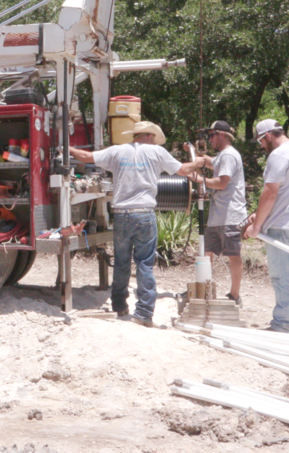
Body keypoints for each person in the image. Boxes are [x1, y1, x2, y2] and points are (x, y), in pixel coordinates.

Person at [70, 122, 204, 328]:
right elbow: (183, 170)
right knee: (144, 263)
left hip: (122, 215)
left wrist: (66, 148)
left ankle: (119, 306)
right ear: (149, 136)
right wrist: (200, 161)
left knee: (122, 262)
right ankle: (143, 313)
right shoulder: (157, 152)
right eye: (154, 138)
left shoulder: (117, 151)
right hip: (144, 215)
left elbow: (86, 157)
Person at [242, 118, 289, 333]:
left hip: (284, 225)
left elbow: (270, 193)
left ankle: (284, 325)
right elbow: (285, 192)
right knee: (286, 273)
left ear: (267, 136)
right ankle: (286, 321)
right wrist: (259, 215)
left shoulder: (279, 155)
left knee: (282, 276)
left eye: (261, 141)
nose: (261, 146)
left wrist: (256, 227)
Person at [190, 120, 247, 306]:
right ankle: (204, 290)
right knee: (206, 252)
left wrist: (198, 179)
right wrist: (193, 151)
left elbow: (222, 183)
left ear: (222, 135)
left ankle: (235, 295)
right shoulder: (222, 156)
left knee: (233, 255)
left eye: (212, 135)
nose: (210, 139)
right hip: (217, 216)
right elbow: (210, 162)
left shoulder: (229, 155)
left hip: (231, 215)